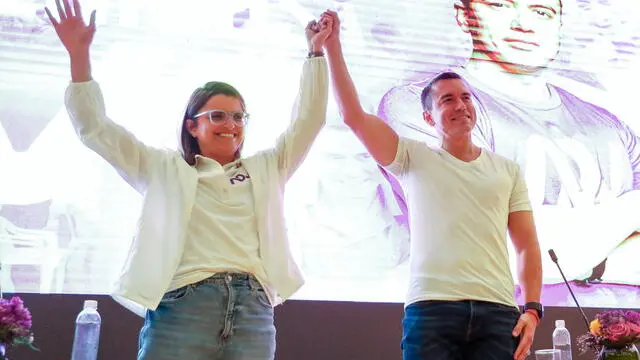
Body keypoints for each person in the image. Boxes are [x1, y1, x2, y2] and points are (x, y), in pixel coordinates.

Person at [44, 0, 331, 358]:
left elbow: (310, 119)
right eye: (218, 116)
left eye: (239, 117)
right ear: (192, 126)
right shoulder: (162, 168)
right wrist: (79, 56)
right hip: (184, 305)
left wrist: (316, 54)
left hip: (253, 309)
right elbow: (95, 128)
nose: (231, 125)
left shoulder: (268, 166)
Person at [321, 9, 543, 360]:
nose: (460, 105)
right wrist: (332, 47)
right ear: (429, 116)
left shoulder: (507, 170)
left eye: (466, 97)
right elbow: (353, 116)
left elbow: (527, 244)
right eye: (447, 99)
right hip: (432, 310)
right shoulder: (411, 157)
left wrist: (532, 308)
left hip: (497, 312)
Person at [378, 0, 640, 295]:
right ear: (464, 15)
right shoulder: (422, 106)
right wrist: (631, 212)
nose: (523, 24)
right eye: (500, 5)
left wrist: (567, 248)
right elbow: (483, 245)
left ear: (559, 25)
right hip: (483, 329)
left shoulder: (609, 125)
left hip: (620, 333)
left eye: (541, 12)